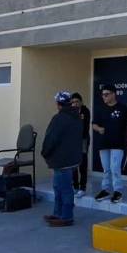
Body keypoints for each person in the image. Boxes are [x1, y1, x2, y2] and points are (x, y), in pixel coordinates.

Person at [40, 91, 83, 227]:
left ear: (59, 104)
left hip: (61, 160)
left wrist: (45, 152)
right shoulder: (77, 117)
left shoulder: (59, 118)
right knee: (60, 187)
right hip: (72, 159)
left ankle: (66, 216)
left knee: (63, 189)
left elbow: (51, 138)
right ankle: (58, 213)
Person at [91, 84, 127, 204]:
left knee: (115, 168)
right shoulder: (100, 109)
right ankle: (105, 190)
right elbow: (94, 124)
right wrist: (99, 129)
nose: (104, 97)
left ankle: (118, 191)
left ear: (113, 94)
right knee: (106, 169)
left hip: (118, 143)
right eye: (102, 95)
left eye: (106, 94)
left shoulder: (123, 108)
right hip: (104, 143)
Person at [69, 93, 91, 198]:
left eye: (77, 101)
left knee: (82, 164)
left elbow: (85, 127)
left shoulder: (85, 111)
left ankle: (83, 188)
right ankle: (75, 187)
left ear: (81, 102)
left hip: (83, 140)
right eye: (73, 102)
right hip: (72, 141)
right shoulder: (70, 112)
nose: (75, 104)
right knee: (73, 165)